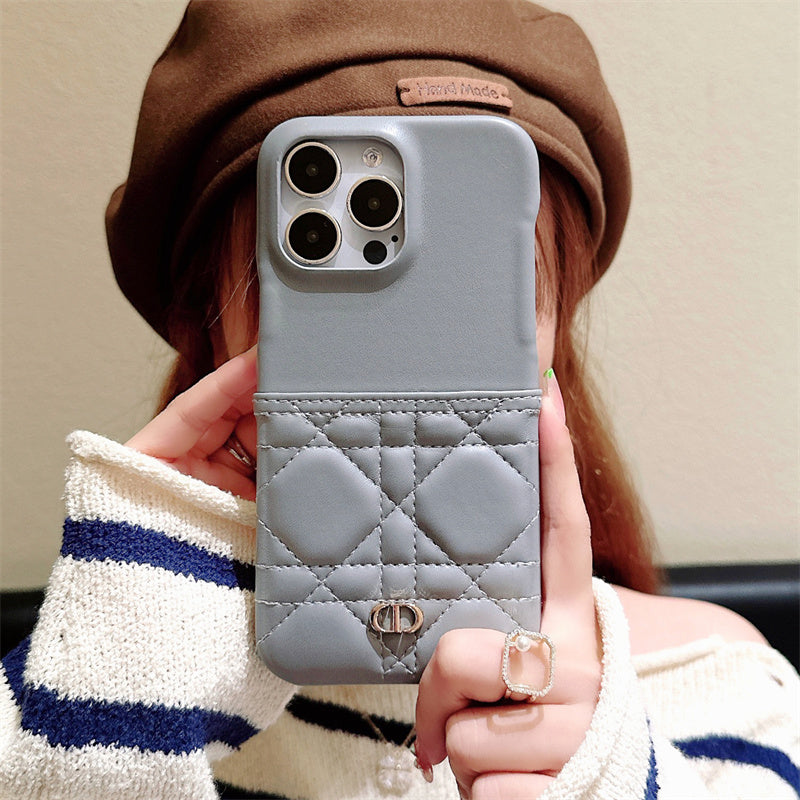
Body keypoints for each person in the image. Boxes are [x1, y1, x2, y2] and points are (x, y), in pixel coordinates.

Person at [1, 2, 798, 798]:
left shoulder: (715, 686)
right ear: (209, 326)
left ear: (557, 327)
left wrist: (609, 778)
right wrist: (109, 705)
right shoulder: (67, 689)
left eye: (475, 291)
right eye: (320, 301)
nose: (401, 363)